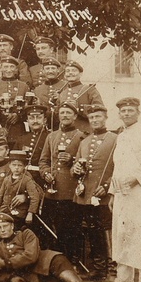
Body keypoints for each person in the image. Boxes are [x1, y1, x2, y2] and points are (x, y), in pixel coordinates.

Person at [110, 97, 141, 282]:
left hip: (139, 193)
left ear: (138, 113)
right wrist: (113, 193)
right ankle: (124, 279)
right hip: (121, 193)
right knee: (121, 234)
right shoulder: (121, 136)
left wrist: (136, 180)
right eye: (123, 111)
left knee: (139, 234)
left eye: (130, 110)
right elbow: (118, 167)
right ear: (119, 114)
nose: (126, 114)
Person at [0, 212, 98, 282]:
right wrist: (12, 278)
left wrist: (7, 263)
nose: (2, 230)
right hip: (34, 275)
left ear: (12, 226)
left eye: (5, 226)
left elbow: (31, 255)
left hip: (49, 262)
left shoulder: (26, 234)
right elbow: (3, 271)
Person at [38, 102, 86, 262]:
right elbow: (43, 161)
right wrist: (45, 174)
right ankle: (52, 261)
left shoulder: (81, 137)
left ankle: (71, 261)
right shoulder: (51, 136)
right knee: (49, 228)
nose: (64, 116)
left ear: (75, 116)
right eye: (62, 113)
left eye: (68, 113)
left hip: (70, 192)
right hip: (52, 190)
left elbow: (86, 163)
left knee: (70, 229)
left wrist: (72, 160)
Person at [73, 104, 117, 279]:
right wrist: (75, 169)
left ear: (105, 118)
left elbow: (120, 166)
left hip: (104, 195)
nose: (94, 120)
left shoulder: (114, 139)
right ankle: (99, 269)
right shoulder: (84, 141)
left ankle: (112, 269)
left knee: (107, 230)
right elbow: (75, 166)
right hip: (86, 195)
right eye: (91, 118)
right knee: (92, 231)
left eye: (98, 117)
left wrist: (107, 186)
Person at [0, 150, 43, 229]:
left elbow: (34, 197)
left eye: (20, 165)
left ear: (24, 166)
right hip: (4, 211)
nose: (17, 168)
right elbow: (0, 197)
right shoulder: (6, 179)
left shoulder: (27, 180)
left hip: (19, 213)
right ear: (9, 165)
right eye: (14, 165)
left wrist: (30, 213)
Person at [57, 60, 104, 132]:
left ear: (80, 74)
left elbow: (100, 109)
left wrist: (79, 108)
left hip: (83, 132)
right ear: (64, 75)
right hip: (65, 133)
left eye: (74, 70)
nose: (70, 73)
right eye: (68, 71)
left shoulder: (89, 89)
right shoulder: (62, 92)